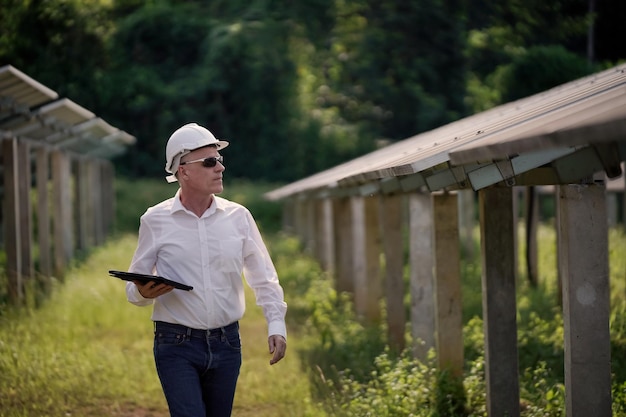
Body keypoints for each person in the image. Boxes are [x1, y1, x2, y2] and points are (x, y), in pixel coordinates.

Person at [125, 122, 287, 417]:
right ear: (182, 170)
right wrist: (142, 292)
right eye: (210, 162)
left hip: (227, 345)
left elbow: (263, 276)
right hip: (175, 346)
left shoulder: (239, 217)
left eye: (220, 160)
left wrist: (276, 325)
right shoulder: (154, 220)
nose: (220, 168)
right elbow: (133, 286)